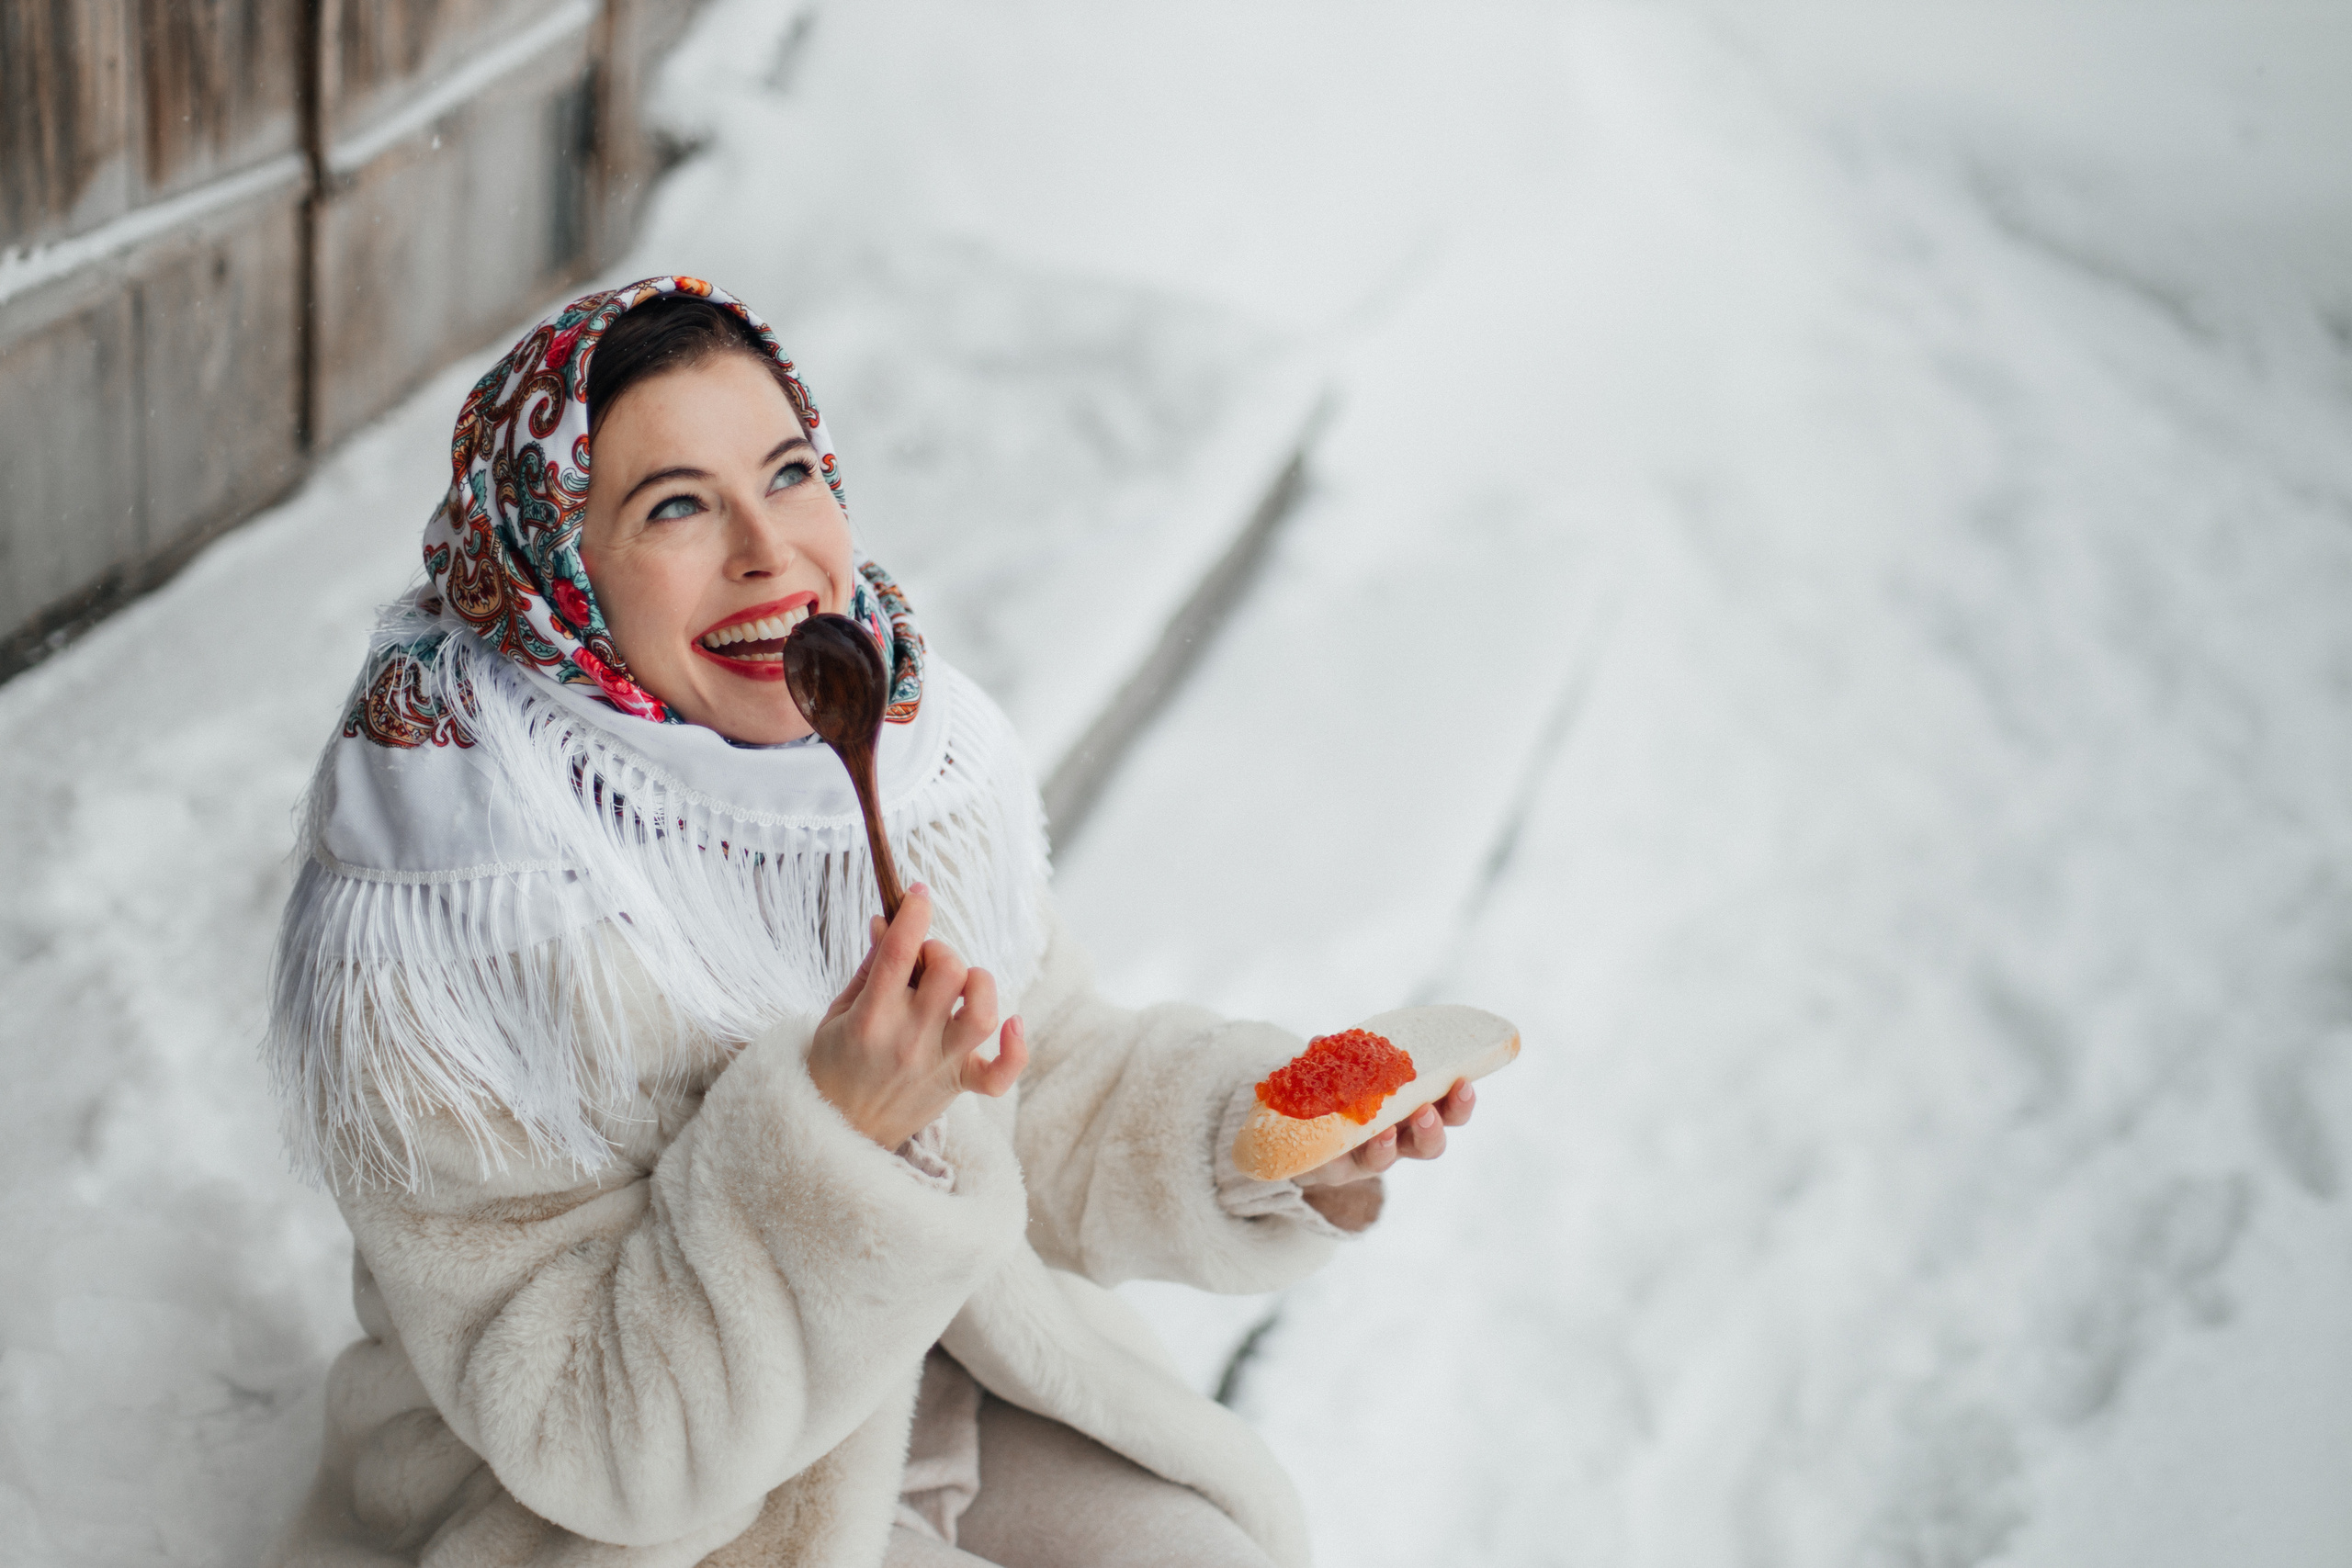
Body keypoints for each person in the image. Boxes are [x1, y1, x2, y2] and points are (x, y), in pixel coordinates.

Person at [262, 276, 1475, 1568]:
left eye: (789, 474)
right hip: (623, 1514)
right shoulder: (449, 919)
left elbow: (1043, 1075)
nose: (769, 550)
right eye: (676, 505)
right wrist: (840, 1136)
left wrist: (1260, 1133)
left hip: (938, 1385)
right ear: (558, 564)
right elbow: (599, 1444)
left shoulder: (891, 755)